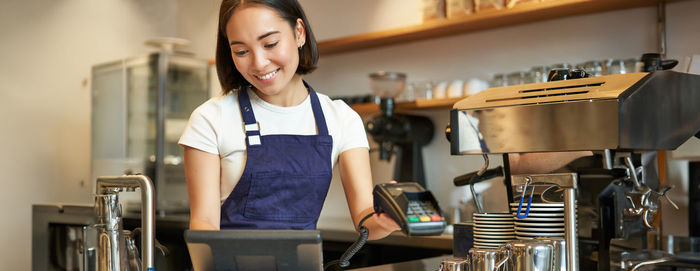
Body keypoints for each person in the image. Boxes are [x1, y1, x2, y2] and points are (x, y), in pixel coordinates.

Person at [178, 0, 400, 240]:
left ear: (299, 33)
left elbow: (365, 219)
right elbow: (204, 224)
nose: (259, 63)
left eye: (270, 43)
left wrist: (386, 220)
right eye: (241, 51)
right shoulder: (210, 118)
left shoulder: (342, 118)